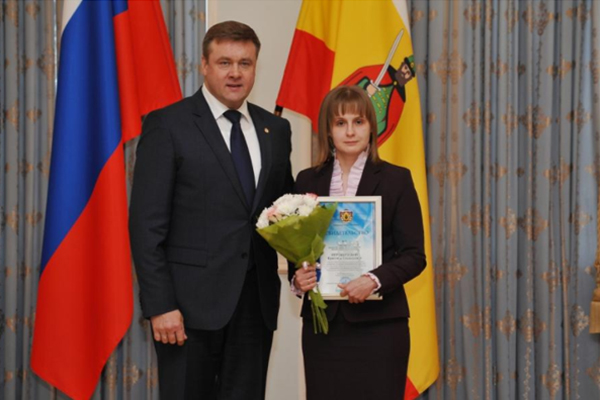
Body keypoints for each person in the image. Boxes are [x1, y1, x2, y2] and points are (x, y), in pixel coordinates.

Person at [129, 21, 293, 399]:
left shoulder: (275, 130)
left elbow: (285, 212)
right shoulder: (168, 125)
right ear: (204, 65)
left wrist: (304, 266)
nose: (235, 73)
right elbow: (146, 226)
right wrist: (161, 305)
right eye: (224, 62)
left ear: (255, 67)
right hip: (186, 312)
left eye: (245, 63)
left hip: (255, 308)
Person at [290, 85, 426, 399]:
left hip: (381, 328)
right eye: (340, 123)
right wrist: (299, 280)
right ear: (328, 130)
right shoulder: (306, 180)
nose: (350, 132)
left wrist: (373, 280)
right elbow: (299, 251)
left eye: (358, 122)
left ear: (371, 127)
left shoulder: (397, 179)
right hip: (323, 330)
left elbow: (414, 255)